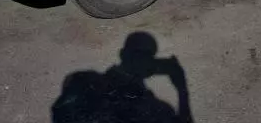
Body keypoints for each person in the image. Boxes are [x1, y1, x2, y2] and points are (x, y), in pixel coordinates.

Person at [52, 32, 193, 123]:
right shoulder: (157, 110)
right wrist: (182, 89)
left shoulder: (82, 82)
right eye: (141, 56)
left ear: (122, 54)